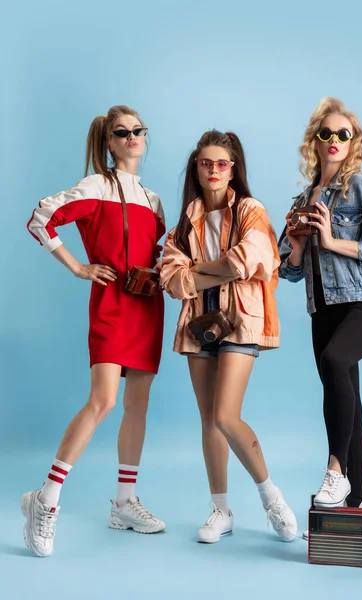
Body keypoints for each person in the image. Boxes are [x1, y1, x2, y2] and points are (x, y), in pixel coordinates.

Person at [23, 105, 166, 557]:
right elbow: (40, 218)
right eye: (121, 132)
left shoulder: (154, 198)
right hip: (111, 303)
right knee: (102, 401)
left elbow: (156, 251)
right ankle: (45, 499)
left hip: (148, 306)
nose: (131, 138)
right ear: (108, 141)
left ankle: (124, 502)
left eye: (138, 130)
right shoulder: (94, 186)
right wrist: (77, 267)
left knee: (137, 406)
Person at [278, 97, 362, 518]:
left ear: (353, 143)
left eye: (344, 134)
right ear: (314, 143)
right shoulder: (304, 197)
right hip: (322, 309)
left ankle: (335, 470)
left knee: (337, 363)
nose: (335, 140)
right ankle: (348, 509)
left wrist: (335, 240)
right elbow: (290, 270)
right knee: (347, 402)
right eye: (327, 134)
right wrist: (299, 245)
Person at [160, 130, 297, 544]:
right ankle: (221, 510)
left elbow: (249, 259)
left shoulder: (251, 210)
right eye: (206, 163)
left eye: (222, 163)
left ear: (234, 169)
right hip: (198, 324)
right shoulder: (187, 221)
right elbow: (170, 277)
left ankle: (271, 497)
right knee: (208, 420)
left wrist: (198, 271)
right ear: (196, 170)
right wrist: (207, 271)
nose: (214, 170)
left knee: (225, 415)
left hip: (240, 320)